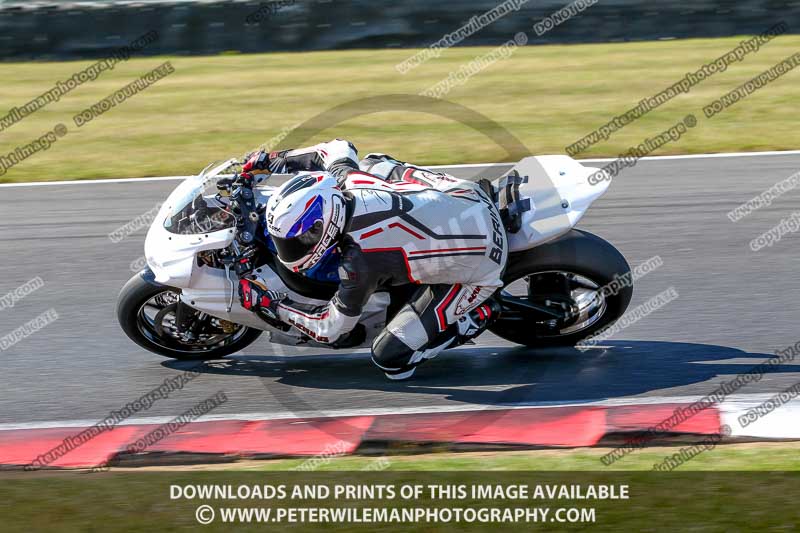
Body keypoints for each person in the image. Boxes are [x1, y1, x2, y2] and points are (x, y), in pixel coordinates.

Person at [237, 139, 508, 380]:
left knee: (390, 358)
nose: (289, 249)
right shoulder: (345, 181)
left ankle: (472, 318)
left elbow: (330, 329)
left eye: (296, 241)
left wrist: (273, 305)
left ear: (323, 224)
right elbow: (337, 147)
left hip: (485, 261)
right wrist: (271, 160)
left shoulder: (359, 263)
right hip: (467, 194)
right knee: (374, 164)